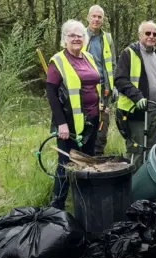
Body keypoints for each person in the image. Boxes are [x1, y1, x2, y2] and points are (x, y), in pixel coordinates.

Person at [46, 19, 101, 210]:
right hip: (69, 124)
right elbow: (51, 93)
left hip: (92, 120)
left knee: (87, 162)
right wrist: (61, 124)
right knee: (65, 166)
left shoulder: (88, 57)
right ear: (65, 39)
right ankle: (57, 208)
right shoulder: (59, 61)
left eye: (79, 35)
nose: (76, 39)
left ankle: (84, 203)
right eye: (72, 35)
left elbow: (95, 84)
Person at [115, 21, 156, 168]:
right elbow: (119, 80)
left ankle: (149, 185)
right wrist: (137, 96)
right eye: (148, 33)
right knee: (136, 151)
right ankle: (132, 186)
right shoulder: (129, 53)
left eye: (155, 34)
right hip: (135, 112)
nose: (151, 36)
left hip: (155, 110)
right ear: (140, 35)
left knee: (153, 151)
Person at [83, 5, 117, 156]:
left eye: (99, 17)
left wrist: (114, 86)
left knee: (102, 129)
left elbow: (113, 64)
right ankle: (83, 163)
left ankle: (97, 161)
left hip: (104, 90)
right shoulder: (80, 36)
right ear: (88, 17)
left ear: (103, 20)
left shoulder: (107, 38)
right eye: (94, 16)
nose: (96, 19)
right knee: (85, 128)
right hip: (85, 90)